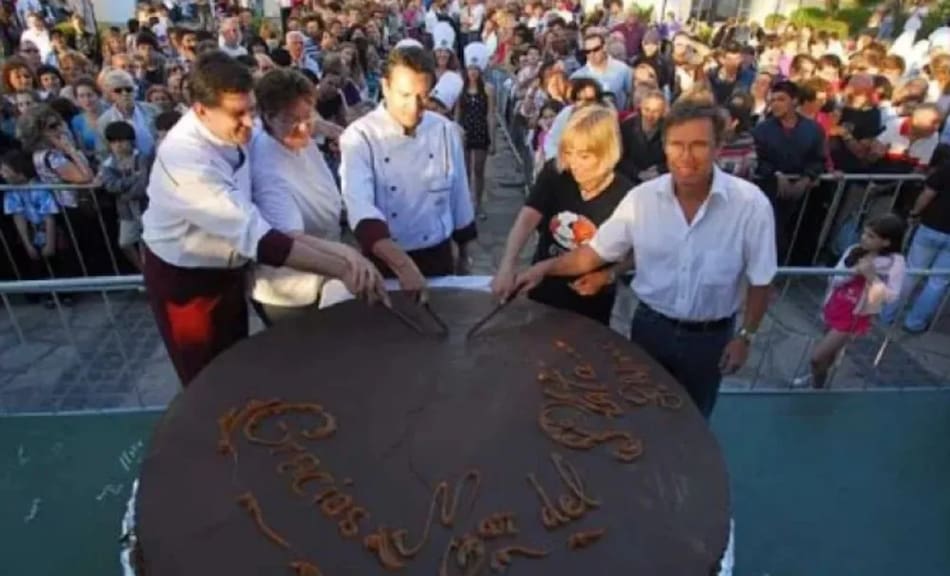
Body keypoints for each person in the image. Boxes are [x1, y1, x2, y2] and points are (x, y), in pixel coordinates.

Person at [513, 98, 777, 418]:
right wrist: (543, 268)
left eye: (698, 145)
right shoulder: (641, 199)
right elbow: (595, 253)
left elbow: (762, 280)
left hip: (711, 340)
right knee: (640, 415)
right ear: (665, 147)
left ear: (718, 147)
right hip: (651, 329)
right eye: (677, 145)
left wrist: (745, 337)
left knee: (693, 420)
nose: (686, 156)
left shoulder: (751, 205)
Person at [142, 51, 385, 386]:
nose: (249, 123)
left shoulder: (242, 122)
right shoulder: (188, 162)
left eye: (253, 110)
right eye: (238, 115)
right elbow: (263, 240)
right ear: (200, 110)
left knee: (235, 363)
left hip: (230, 270)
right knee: (205, 379)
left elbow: (282, 121)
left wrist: (327, 128)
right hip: (187, 279)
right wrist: (345, 266)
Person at [340, 46, 477, 300]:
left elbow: (459, 196)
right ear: (385, 87)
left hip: (439, 256)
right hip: (385, 259)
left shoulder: (446, 131)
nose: (414, 108)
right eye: (404, 95)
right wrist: (402, 265)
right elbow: (359, 207)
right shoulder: (360, 137)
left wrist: (465, 255)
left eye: (422, 97)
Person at [492, 105, 633, 325]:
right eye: (568, 152)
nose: (573, 163)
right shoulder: (556, 172)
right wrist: (508, 264)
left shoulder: (627, 195)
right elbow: (527, 218)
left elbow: (636, 254)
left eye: (584, 156)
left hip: (591, 303)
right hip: (542, 290)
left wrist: (608, 275)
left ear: (607, 153)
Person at [249, 69, 347, 326]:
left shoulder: (295, 134)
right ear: (268, 117)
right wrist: (348, 260)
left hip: (322, 274)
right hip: (290, 292)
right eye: (294, 120)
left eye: (308, 117)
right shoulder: (266, 168)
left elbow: (314, 124)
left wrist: (328, 128)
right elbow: (290, 240)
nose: (304, 128)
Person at [796, 215, 906, 388]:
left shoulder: (895, 262)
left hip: (854, 315)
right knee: (828, 354)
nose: (864, 238)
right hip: (836, 304)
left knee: (816, 358)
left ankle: (817, 387)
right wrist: (854, 271)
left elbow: (891, 296)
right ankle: (817, 379)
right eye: (864, 233)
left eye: (871, 236)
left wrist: (872, 277)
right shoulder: (854, 250)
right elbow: (835, 278)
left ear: (886, 242)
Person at [880, 156, 950, 332]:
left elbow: (928, 193)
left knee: (911, 272)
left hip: (932, 225)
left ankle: (888, 313)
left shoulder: (947, 167)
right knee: (938, 282)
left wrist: (914, 213)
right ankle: (915, 322)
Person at [98, 121, 151, 271]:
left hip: (145, 208)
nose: (118, 145)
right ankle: (143, 270)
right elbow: (110, 186)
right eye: (113, 142)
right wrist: (131, 179)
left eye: (121, 140)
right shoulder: (108, 164)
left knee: (150, 243)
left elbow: (143, 185)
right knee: (125, 243)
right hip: (126, 213)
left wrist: (125, 195)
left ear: (130, 141)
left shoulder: (141, 158)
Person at [458, 42, 495, 220]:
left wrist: (493, 138)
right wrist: (456, 132)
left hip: (480, 131)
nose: (472, 72)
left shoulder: (488, 89)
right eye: (470, 69)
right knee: (464, 170)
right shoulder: (461, 88)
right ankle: (465, 204)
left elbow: (490, 114)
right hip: (465, 131)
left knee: (478, 170)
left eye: (476, 69)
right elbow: (458, 113)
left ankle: (478, 204)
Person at [571, 30, 633, 111]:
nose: (592, 54)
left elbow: (631, 96)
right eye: (587, 51)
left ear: (604, 47)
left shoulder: (623, 70)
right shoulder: (577, 77)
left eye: (596, 49)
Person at [617, 88, 667, 184]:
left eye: (656, 111)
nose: (650, 115)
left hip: (658, 180)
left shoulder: (669, 129)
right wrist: (638, 173)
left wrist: (659, 170)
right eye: (647, 109)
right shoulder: (627, 127)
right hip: (630, 180)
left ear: (662, 112)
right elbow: (620, 158)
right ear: (641, 107)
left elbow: (673, 157)